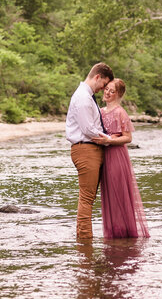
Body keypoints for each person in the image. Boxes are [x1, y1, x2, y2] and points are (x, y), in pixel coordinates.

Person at [93, 78, 150, 238]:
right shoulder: (101, 111)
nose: (107, 93)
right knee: (108, 194)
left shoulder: (120, 112)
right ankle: (112, 233)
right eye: (106, 89)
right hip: (104, 156)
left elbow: (128, 138)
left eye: (112, 91)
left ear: (119, 95)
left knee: (119, 192)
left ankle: (124, 234)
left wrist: (109, 140)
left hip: (117, 156)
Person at [66, 62, 113, 240]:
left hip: (89, 149)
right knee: (86, 198)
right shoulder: (83, 98)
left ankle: (85, 241)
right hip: (86, 149)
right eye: (103, 84)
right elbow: (88, 130)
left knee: (89, 198)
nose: (103, 89)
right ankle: (85, 242)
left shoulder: (87, 96)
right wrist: (110, 140)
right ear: (97, 77)